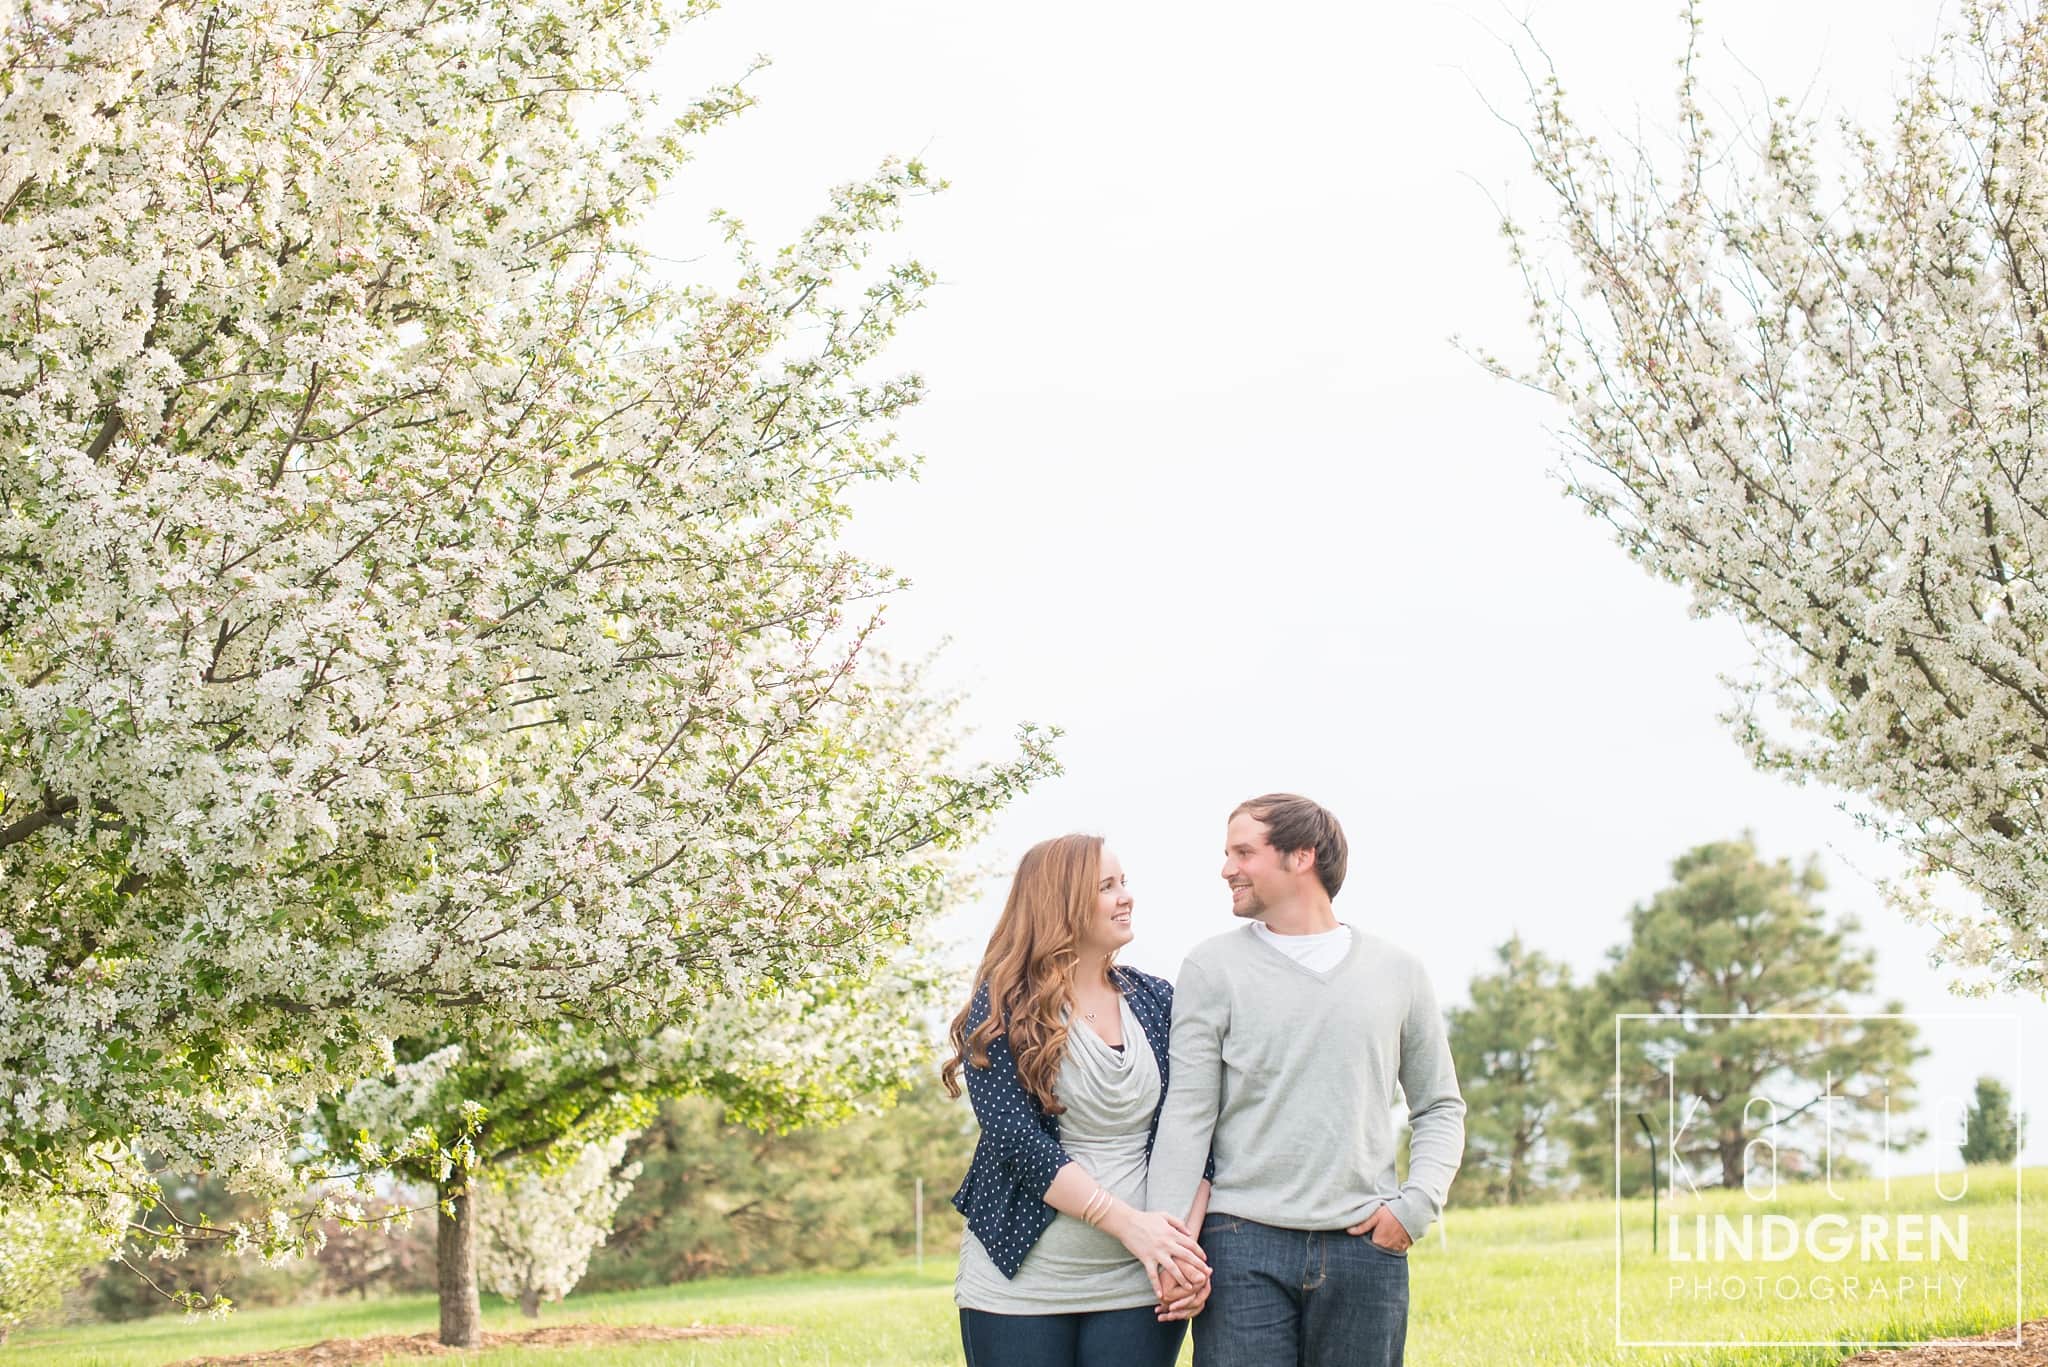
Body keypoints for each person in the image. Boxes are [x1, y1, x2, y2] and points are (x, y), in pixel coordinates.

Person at [1146, 794, 1465, 1367]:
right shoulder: (1210, 967)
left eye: (1244, 852)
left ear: (1302, 857)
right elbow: (1189, 1114)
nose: (1226, 869)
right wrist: (1172, 1249)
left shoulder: (1398, 971)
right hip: (1241, 1244)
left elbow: (1440, 1105)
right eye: (1226, 853)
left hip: (1365, 1247)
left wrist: (1414, 1208)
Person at [944, 833, 1215, 1367]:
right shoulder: (1002, 1010)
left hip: (1139, 1281)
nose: (1126, 897)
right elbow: (1017, 1141)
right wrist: (1130, 1226)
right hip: (1020, 1283)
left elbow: (1196, 1128)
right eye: (1107, 887)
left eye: (1124, 883)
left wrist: (1179, 1252)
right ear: (1061, 903)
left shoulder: (1159, 1000)